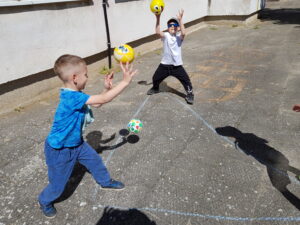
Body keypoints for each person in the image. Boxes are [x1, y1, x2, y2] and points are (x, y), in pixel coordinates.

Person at [38, 54, 137, 218]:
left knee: (95, 161)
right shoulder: (71, 97)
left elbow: (98, 102)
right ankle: (44, 200)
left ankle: (105, 182)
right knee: (58, 184)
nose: (88, 78)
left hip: (77, 144)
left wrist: (106, 88)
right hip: (60, 150)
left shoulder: (76, 94)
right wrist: (125, 82)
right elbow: (104, 100)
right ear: (75, 78)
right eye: (86, 74)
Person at [147, 9, 194, 104]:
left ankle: (190, 94)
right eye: (170, 25)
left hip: (176, 66)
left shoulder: (179, 37)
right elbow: (157, 32)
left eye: (175, 25)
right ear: (168, 28)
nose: (172, 26)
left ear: (178, 28)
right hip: (165, 64)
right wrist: (158, 17)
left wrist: (180, 20)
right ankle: (155, 88)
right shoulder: (166, 36)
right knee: (155, 78)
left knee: (186, 80)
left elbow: (184, 32)